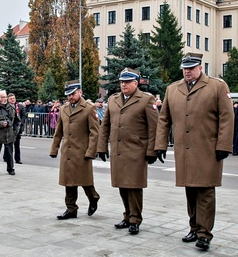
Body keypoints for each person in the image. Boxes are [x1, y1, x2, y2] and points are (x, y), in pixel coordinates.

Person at [155, 53, 234, 251]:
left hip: (208, 148)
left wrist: (224, 145)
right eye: (185, 68)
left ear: (200, 67)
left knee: (206, 190)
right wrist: (160, 144)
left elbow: (226, 116)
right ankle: (194, 227)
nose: (187, 71)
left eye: (191, 67)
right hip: (184, 149)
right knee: (190, 188)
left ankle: (204, 234)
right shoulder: (173, 89)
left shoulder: (216, 86)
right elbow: (164, 119)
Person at [97, 68, 159, 235]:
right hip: (118, 150)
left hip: (136, 150)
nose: (123, 85)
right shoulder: (113, 99)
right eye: (121, 82)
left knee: (134, 186)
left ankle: (135, 219)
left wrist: (152, 150)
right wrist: (101, 147)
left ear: (135, 83)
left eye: (127, 82)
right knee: (122, 185)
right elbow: (105, 125)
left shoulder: (146, 99)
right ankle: (127, 215)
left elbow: (154, 127)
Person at [50, 81, 100, 220]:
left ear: (80, 93)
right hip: (67, 151)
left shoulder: (89, 108)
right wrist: (54, 148)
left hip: (82, 151)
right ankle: (71, 208)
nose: (71, 97)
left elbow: (95, 133)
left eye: (73, 94)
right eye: (68, 95)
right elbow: (58, 131)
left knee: (84, 180)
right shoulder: (64, 109)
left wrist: (91, 151)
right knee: (69, 181)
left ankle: (93, 197)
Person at [6, 92, 25, 164]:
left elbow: (23, 115)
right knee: (8, 144)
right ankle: (7, 157)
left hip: (18, 128)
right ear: (8, 100)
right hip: (9, 128)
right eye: (11, 99)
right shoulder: (7, 106)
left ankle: (17, 158)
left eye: (13, 98)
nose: (12, 100)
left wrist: (21, 123)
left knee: (17, 144)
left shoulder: (20, 106)